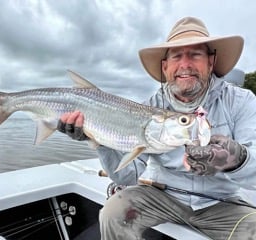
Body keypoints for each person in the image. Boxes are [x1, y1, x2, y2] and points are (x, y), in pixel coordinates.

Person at [57, 17, 256, 240]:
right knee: (113, 213)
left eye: (195, 54)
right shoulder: (148, 108)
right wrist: (98, 140)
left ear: (211, 62)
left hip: (222, 203)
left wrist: (237, 159)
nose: (185, 64)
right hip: (161, 196)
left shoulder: (241, 102)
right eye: (177, 56)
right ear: (165, 66)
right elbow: (127, 176)